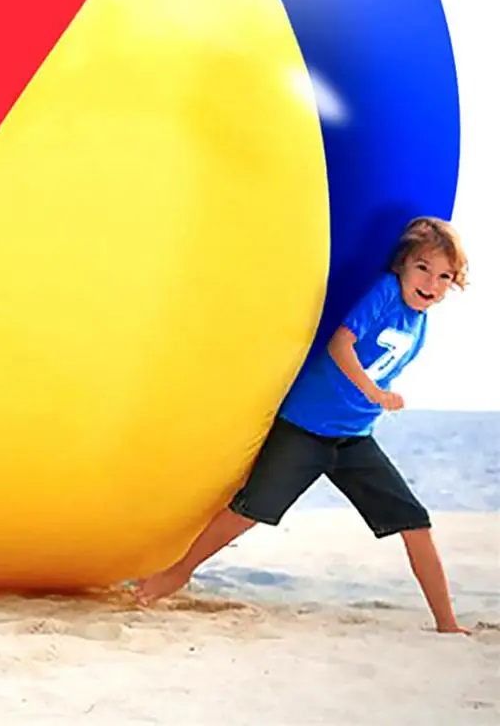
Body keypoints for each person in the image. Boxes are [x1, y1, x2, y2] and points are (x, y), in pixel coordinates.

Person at [133, 216, 472, 634]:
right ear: (401, 265)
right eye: (423, 268)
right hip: (305, 428)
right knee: (249, 509)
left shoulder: (418, 323)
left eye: (444, 276)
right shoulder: (385, 293)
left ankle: (448, 624)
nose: (431, 283)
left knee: (414, 523)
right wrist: (374, 393)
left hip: (353, 439)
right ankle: (176, 573)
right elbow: (341, 343)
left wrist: (376, 397)